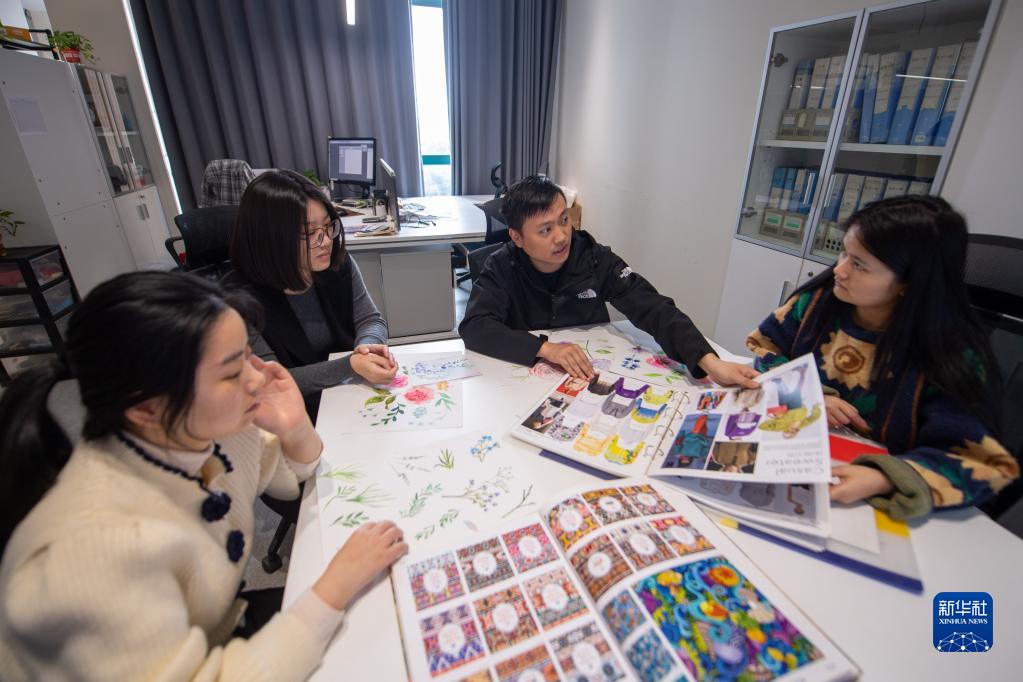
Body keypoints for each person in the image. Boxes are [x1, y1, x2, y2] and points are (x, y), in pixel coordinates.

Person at [0, 272, 407, 680]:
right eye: (231, 373)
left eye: (247, 355)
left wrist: (295, 425)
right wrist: (335, 586)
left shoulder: (200, 429)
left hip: (214, 625)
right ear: (146, 408)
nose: (257, 378)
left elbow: (287, 476)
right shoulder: (96, 552)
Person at [746, 195, 1018, 520]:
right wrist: (810, 396)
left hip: (873, 497)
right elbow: (766, 348)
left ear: (909, 281)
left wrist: (884, 477)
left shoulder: (949, 353)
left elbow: (980, 463)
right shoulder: (817, 303)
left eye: (859, 265)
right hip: (799, 452)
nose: (839, 270)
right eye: (844, 252)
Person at [458, 175, 758, 388]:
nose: (561, 236)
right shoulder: (502, 265)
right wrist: (546, 349)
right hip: (521, 380)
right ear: (517, 237)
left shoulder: (594, 258)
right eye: (545, 230)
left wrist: (710, 362)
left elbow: (653, 307)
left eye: (564, 220)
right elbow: (475, 326)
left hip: (592, 374)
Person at [226, 169, 396, 420]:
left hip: (348, 394)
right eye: (309, 233)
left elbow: (370, 319)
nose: (325, 240)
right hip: (293, 413)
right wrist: (350, 365)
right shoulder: (237, 303)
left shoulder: (335, 262)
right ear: (269, 239)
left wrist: (365, 349)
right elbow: (271, 382)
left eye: (327, 226)